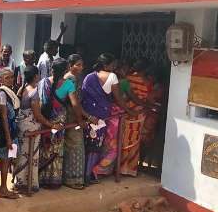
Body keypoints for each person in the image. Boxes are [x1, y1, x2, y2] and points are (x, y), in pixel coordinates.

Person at [82, 53, 135, 183]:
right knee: (96, 146)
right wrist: (129, 110)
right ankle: (88, 175)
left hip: (88, 115)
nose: (115, 66)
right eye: (113, 64)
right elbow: (119, 99)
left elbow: (83, 95)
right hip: (101, 117)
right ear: (107, 65)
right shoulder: (112, 77)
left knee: (87, 144)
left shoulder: (89, 76)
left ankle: (83, 173)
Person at [36, 58, 78, 189]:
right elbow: (75, 104)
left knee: (44, 148)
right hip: (59, 121)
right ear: (66, 70)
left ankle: (40, 178)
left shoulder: (42, 82)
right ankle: (53, 180)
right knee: (56, 150)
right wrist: (80, 120)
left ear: (51, 69)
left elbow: (39, 102)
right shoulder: (69, 84)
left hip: (44, 120)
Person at [61, 54, 93, 190]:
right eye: (77, 65)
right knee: (76, 147)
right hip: (72, 116)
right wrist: (82, 119)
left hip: (70, 114)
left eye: (82, 65)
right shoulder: (71, 78)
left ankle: (69, 177)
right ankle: (73, 179)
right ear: (70, 65)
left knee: (71, 146)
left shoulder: (69, 77)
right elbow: (74, 103)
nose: (81, 67)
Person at [0, 68, 20, 199]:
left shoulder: (9, 92)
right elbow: (3, 117)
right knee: (5, 160)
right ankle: (3, 189)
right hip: (4, 132)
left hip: (10, 130)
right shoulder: (2, 93)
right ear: (0, 80)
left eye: (12, 77)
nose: (10, 80)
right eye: (7, 78)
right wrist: (8, 138)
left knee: (4, 160)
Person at [121, 58, 152, 176]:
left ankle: (121, 167)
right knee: (134, 141)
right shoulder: (146, 82)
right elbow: (146, 98)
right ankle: (130, 168)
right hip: (138, 114)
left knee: (124, 139)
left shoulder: (128, 78)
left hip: (127, 112)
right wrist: (145, 105)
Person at [14, 66, 42, 193]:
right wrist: (51, 124)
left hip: (21, 126)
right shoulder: (34, 92)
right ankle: (29, 183)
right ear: (36, 76)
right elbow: (37, 115)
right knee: (31, 155)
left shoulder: (22, 89)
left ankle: (19, 181)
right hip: (31, 127)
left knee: (21, 154)